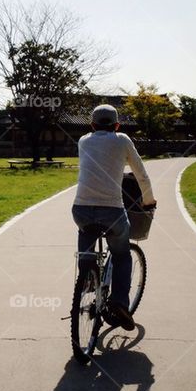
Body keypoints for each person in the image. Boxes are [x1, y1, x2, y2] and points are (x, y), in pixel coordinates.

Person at [72, 104, 156, 331]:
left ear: (91, 125)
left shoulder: (83, 141)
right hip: (113, 211)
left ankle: (87, 278)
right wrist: (148, 200)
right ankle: (119, 303)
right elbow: (142, 175)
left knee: (86, 243)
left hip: (80, 209)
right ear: (117, 125)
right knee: (121, 255)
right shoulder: (122, 140)